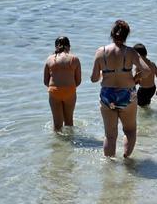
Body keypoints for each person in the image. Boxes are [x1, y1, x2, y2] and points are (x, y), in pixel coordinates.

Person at [90, 19, 148, 158]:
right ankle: (126, 159)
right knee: (130, 130)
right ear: (126, 35)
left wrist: (103, 74)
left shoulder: (100, 52)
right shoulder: (131, 52)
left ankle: (109, 168)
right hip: (127, 93)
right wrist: (135, 79)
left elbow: (93, 78)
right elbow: (146, 70)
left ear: (112, 34)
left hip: (107, 95)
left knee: (110, 135)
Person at [43, 36, 81, 132]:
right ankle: (70, 144)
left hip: (54, 91)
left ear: (56, 47)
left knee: (57, 124)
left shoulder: (49, 59)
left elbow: (45, 81)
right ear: (69, 46)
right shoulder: (74, 59)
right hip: (70, 91)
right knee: (69, 121)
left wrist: (56, 88)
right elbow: (78, 81)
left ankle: (58, 145)